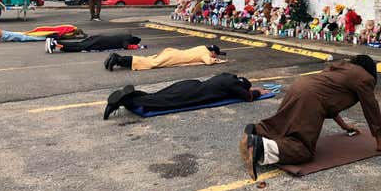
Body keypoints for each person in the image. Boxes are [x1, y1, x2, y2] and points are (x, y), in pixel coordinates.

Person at [239, 55, 381, 180]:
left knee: (281, 125)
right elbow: (371, 109)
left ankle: (256, 130)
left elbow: (331, 103)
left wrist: (345, 126)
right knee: (303, 150)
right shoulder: (364, 77)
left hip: (299, 87)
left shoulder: (341, 69)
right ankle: (260, 148)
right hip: (312, 99)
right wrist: (380, 143)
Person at [102, 73, 271, 120]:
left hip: (190, 84)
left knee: (159, 95)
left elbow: (240, 89)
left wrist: (248, 88)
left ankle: (132, 95)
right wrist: (257, 92)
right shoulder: (235, 85)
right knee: (162, 101)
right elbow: (247, 97)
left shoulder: (228, 76)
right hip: (193, 94)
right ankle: (126, 100)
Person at [104, 44, 227, 71]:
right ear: (213, 52)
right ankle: (118, 60)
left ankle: (118, 59)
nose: (216, 56)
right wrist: (216, 60)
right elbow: (208, 62)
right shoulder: (205, 53)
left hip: (173, 53)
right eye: (216, 54)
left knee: (148, 60)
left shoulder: (202, 47)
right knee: (150, 64)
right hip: (175, 57)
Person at [45, 33, 143, 53]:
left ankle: (57, 43)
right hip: (100, 42)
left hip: (99, 37)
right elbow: (125, 46)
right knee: (80, 46)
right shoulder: (128, 38)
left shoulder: (126, 35)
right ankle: (55, 43)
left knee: (80, 44)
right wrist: (133, 47)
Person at [0, 25, 83, 43]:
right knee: (24, 37)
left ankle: (2, 34)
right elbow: (59, 34)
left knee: (24, 35)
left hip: (45, 32)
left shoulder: (70, 27)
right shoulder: (70, 30)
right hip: (46, 34)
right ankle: (2, 33)